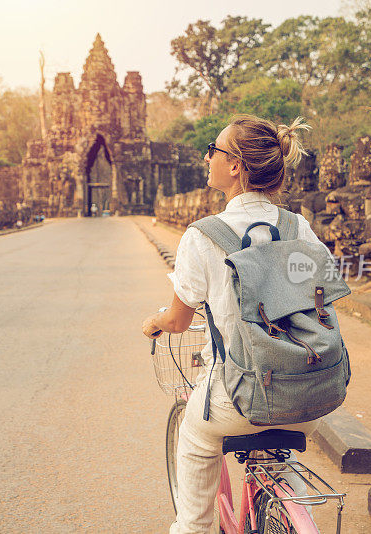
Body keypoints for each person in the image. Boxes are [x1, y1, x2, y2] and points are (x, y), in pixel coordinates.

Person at [142, 114, 332, 534]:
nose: (207, 156)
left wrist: (154, 322)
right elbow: (325, 285)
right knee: (283, 446)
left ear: (235, 166)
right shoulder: (298, 226)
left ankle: (193, 526)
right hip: (311, 396)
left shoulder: (203, 235)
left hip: (238, 396)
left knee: (195, 441)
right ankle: (298, 515)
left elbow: (178, 319)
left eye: (214, 149)